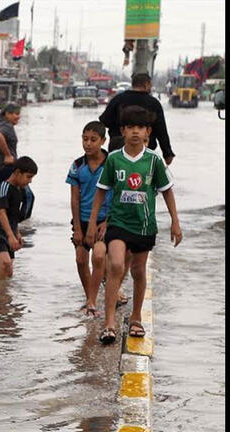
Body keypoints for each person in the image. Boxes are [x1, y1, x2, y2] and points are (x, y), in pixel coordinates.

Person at [85, 105, 182, 345]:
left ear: (148, 132)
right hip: (118, 222)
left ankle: (136, 318)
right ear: (123, 131)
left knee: (138, 271)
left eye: (140, 128)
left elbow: (167, 192)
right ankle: (109, 323)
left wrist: (175, 222)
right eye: (131, 128)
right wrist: (91, 223)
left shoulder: (153, 161)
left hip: (144, 226)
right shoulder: (114, 159)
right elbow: (101, 193)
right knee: (116, 265)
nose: (135, 132)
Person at [67, 121, 111, 316]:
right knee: (80, 259)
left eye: (93, 140)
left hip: (104, 221)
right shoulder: (77, 166)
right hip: (82, 221)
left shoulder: (111, 163)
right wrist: (77, 227)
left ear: (103, 141)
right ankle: (90, 298)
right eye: (85, 139)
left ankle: (94, 299)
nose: (88, 144)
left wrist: (107, 222)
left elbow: (117, 195)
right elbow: (74, 199)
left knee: (99, 255)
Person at [98, 72, 175, 165]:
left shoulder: (117, 99)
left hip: (118, 150)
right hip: (145, 152)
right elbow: (161, 131)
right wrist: (167, 153)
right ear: (146, 84)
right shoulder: (154, 104)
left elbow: (105, 121)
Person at [0, 156, 37, 281]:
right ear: (18, 173)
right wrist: (10, 235)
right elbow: (1, 212)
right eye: (28, 177)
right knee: (5, 263)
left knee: (9, 270)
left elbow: (12, 216)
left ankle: (2, 295)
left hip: (8, 231)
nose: (30, 181)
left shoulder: (19, 190)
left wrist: (16, 232)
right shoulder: (4, 187)